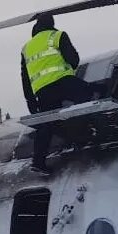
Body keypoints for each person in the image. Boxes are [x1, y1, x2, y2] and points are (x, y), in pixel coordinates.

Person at [21, 15, 92, 173]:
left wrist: (31, 102)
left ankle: (38, 162)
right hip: (62, 81)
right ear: (51, 24)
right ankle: (81, 134)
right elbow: (73, 59)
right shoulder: (57, 35)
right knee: (88, 93)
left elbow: (25, 79)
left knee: (46, 123)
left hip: (42, 90)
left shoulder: (26, 48)